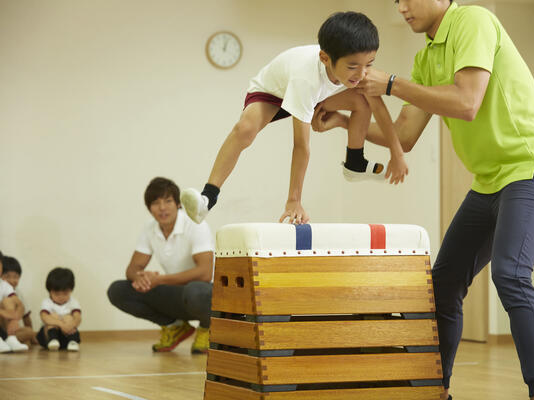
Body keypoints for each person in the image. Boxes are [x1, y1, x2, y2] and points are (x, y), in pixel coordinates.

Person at [312, 1, 534, 399]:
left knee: (511, 275)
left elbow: (467, 103)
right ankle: (437, 391)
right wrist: (345, 122)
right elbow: (405, 135)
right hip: (488, 183)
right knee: (443, 286)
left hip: (531, 171)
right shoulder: (427, 56)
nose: (402, 7)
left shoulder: (473, 20)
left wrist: (392, 84)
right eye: (396, 0)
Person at [181, 11, 408, 226]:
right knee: (244, 129)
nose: (361, 74)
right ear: (325, 58)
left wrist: (396, 154)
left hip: (319, 95)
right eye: (352, 66)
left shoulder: (360, 75)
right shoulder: (305, 80)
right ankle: (207, 198)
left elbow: (379, 108)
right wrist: (294, 200)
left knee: (363, 100)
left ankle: (355, 161)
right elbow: (301, 146)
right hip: (273, 93)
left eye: (369, 64)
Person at [107, 177, 214, 354]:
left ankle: (208, 328)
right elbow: (132, 269)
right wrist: (142, 278)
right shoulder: (149, 228)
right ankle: (174, 326)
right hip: (176, 292)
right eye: (156, 203)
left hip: (206, 294)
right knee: (118, 290)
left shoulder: (195, 224)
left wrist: (160, 279)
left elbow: (205, 273)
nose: (162, 208)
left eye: (168, 201)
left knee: (196, 290)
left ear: (178, 204)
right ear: (149, 208)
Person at [37, 267, 82, 351]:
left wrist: (70, 325)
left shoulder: (73, 302)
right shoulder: (47, 302)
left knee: (68, 317)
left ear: (71, 290)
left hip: (66, 335)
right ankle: (53, 340)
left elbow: (78, 318)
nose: (61, 297)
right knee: (53, 316)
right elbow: (44, 317)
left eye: (65, 293)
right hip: (48, 336)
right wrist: (61, 325)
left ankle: (72, 342)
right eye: (57, 294)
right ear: (50, 291)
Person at [1, 256, 36, 345]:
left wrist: (14, 320)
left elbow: (26, 317)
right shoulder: (3, 287)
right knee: (7, 301)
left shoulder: (17, 293)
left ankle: (8, 341)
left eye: (15, 277)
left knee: (29, 333)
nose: (12, 280)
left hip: (10, 329)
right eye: (7, 276)